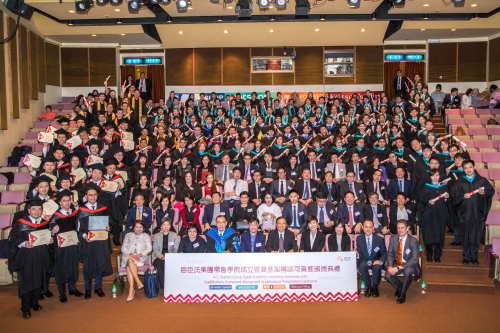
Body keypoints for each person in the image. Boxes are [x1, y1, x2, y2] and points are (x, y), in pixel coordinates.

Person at [8, 200, 53, 319]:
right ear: (29, 211)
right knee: (27, 282)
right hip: (26, 257)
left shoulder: (44, 223)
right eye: (34, 209)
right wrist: (23, 243)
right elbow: (12, 238)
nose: (37, 211)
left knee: (38, 279)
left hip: (40, 256)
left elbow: (45, 237)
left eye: (39, 209)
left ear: (42, 211)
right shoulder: (21, 224)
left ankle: (34, 303)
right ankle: (25, 308)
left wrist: (49, 241)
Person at [450, 160, 494, 265]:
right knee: (465, 236)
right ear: (463, 169)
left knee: (476, 236)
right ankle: (466, 257)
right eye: (466, 168)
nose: (468, 170)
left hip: (478, 214)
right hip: (465, 214)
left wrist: (484, 192)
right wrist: (462, 196)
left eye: (470, 167)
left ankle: (474, 257)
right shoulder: (460, 181)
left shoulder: (482, 180)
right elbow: (454, 196)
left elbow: (490, 191)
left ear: (474, 167)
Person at [76, 183, 112, 300]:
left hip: (100, 241)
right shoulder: (81, 211)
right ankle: (87, 288)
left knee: (100, 263)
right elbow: (79, 229)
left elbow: (108, 222)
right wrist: (84, 235)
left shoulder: (103, 208)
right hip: (89, 242)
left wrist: (108, 227)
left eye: (94, 195)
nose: (92, 197)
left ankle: (98, 287)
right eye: (90, 195)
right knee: (88, 265)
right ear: (86, 196)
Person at [48, 190, 82, 304]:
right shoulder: (55, 217)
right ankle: (62, 293)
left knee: (73, 266)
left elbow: (78, 228)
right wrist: (52, 231)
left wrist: (78, 238)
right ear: (60, 203)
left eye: (68, 200)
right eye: (64, 201)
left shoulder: (74, 213)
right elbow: (50, 233)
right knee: (61, 269)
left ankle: (72, 289)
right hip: (61, 247)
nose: (67, 203)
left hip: (72, 245)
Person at [385, 220, 420, 304]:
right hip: (396, 262)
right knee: (388, 275)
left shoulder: (413, 241)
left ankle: (403, 293)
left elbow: (415, 259)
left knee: (408, 272)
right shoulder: (393, 238)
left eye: (402, 228)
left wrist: (398, 268)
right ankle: (400, 287)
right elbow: (390, 254)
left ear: (407, 228)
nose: (400, 230)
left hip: (408, 264)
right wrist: (390, 266)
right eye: (398, 228)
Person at [420, 169, 450, 262]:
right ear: (430, 177)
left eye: (437, 175)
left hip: (440, 214)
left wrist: (446, 198)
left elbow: (447, 202)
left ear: (440, 176)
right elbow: (422, 200)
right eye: (433, 176)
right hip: (429, 214)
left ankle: (437, 255)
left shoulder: (443, 187)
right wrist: (428, 201)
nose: (435, 177)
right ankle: (429, 255)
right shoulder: (426, 187)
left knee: (439, 235)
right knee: (429, 235)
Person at [121, 220, 152, 301]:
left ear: (143, 228)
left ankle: (131, 290)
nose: (139, 229)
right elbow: (123, 248)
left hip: (139, 258)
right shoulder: (128, 235)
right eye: (137, 227)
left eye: (140, 227)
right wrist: (131, 255)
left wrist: (139, 255)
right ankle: (137, 281)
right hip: (128, 256)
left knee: (129, 266)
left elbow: (149, 248)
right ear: (133, 228)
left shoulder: (145, 236)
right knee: (130, 260)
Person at [356, 220, 387, 298]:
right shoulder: (359, 238)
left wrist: (380, 261)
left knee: (377, 267)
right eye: (366, 227)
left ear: (373, 228)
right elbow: (359, 253)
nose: (368, 229)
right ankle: (369, 286)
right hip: (364, 260)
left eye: (370, 227)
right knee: (362, 266)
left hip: (376, 260)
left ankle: (375, 287)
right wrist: (356, 254)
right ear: (362, 228)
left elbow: (384, 253)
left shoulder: (379, 239)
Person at [152, 218, 179, 289]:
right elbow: (155, 249)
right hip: (158, 257)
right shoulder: (157, 235)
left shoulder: (174, 235)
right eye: (164, 225)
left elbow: (176, 249)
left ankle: (171, 283)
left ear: (170, 226)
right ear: (161, 227)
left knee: (168, 264)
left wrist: (169, 256)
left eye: (168, 225)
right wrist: (162, 257)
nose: (166, 227)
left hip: (171, 256)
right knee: (159, 264)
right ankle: (163, 285)